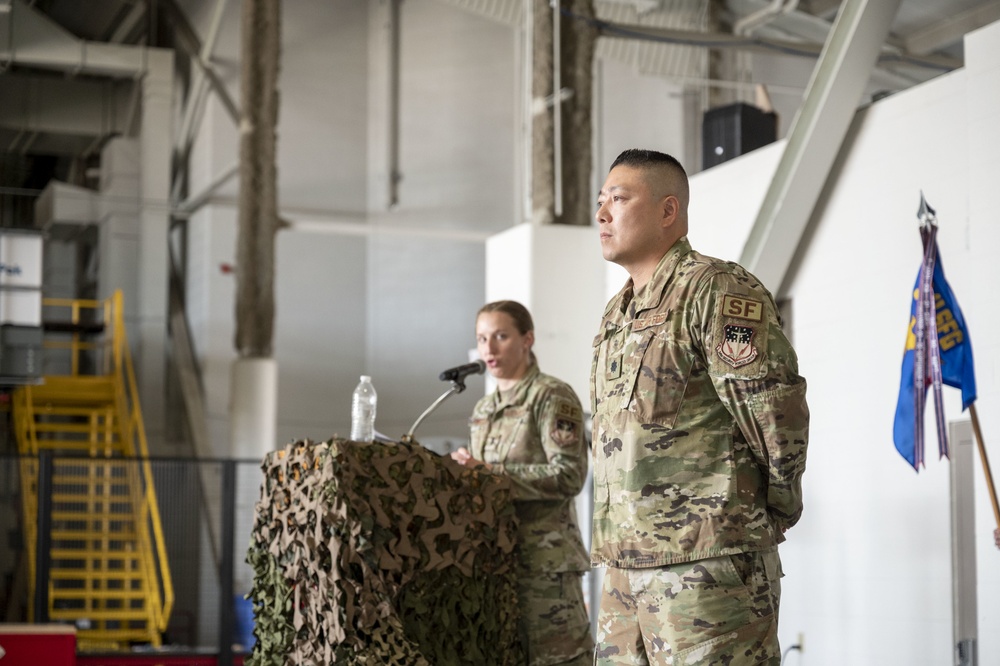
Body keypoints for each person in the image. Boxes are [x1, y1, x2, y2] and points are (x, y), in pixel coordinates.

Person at [590, 148, 809, 665]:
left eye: (618, 199)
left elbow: (774, 413)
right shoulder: (618, 313)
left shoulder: (716, 289)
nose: (601, 214)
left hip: (707, 565)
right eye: (600, 201)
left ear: (669, 211)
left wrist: (770, 508)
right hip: (625, 566)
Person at [451, 300, 594, 666]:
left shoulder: (551, 396)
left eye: (500, 336)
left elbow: (568, 475)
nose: (489, 349)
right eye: (482, 339)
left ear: (527, 339)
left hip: (545, 565)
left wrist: (489, 474)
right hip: (495, 561)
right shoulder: (484, 408)